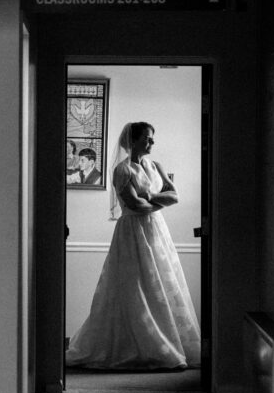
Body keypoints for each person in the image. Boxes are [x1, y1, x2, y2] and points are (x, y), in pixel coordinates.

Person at [65, 121, 201, 370]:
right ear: (134, 140)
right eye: (148, 138)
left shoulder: (154, 165)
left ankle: (165, 341)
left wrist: (149, 198)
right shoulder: (122, 170)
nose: (152, 143)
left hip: (156, 230)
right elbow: (136, 206)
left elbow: (175, 195)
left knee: (160, 280)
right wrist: (156, 201)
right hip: (132, 231)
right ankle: (139, 344)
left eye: (152, 138)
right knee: (134, 284)